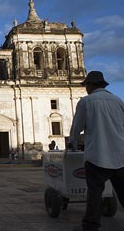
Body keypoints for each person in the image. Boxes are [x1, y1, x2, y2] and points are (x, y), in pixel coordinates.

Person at [68, 71, 124, 231]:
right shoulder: (118, 101)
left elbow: (76, 129)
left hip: (97, 156)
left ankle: (91, 226)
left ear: (91, 85)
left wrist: (72, 143)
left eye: (86, 85)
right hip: (120, 156)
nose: (86, 88)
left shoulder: (86, 102)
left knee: (94, 193)